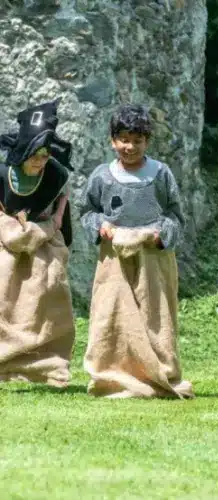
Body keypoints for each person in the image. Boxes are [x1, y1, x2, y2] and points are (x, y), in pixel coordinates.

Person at [80, 103, 193, 399]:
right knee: (112, 313)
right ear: (112, 140)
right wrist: (100, 227)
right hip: (114, 258)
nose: (129, 147)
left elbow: (176, 215)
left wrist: (159, 236)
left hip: (153, 257)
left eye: (137, 141)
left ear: (147, 142)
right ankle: (113, 374)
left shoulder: (160, 174)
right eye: (123, 140)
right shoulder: (102, 176)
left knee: (154, 314)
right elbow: (87, 211)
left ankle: (159, 372)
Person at [0, 98, 75, 387]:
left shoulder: (55, 175)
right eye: (34, 153)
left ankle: (43, 365)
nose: (39, 161)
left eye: (45, 155)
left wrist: (60, 237)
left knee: (46, 297)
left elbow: (62, 213)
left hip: (42, 244)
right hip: (6, 244)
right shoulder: (2, 171)